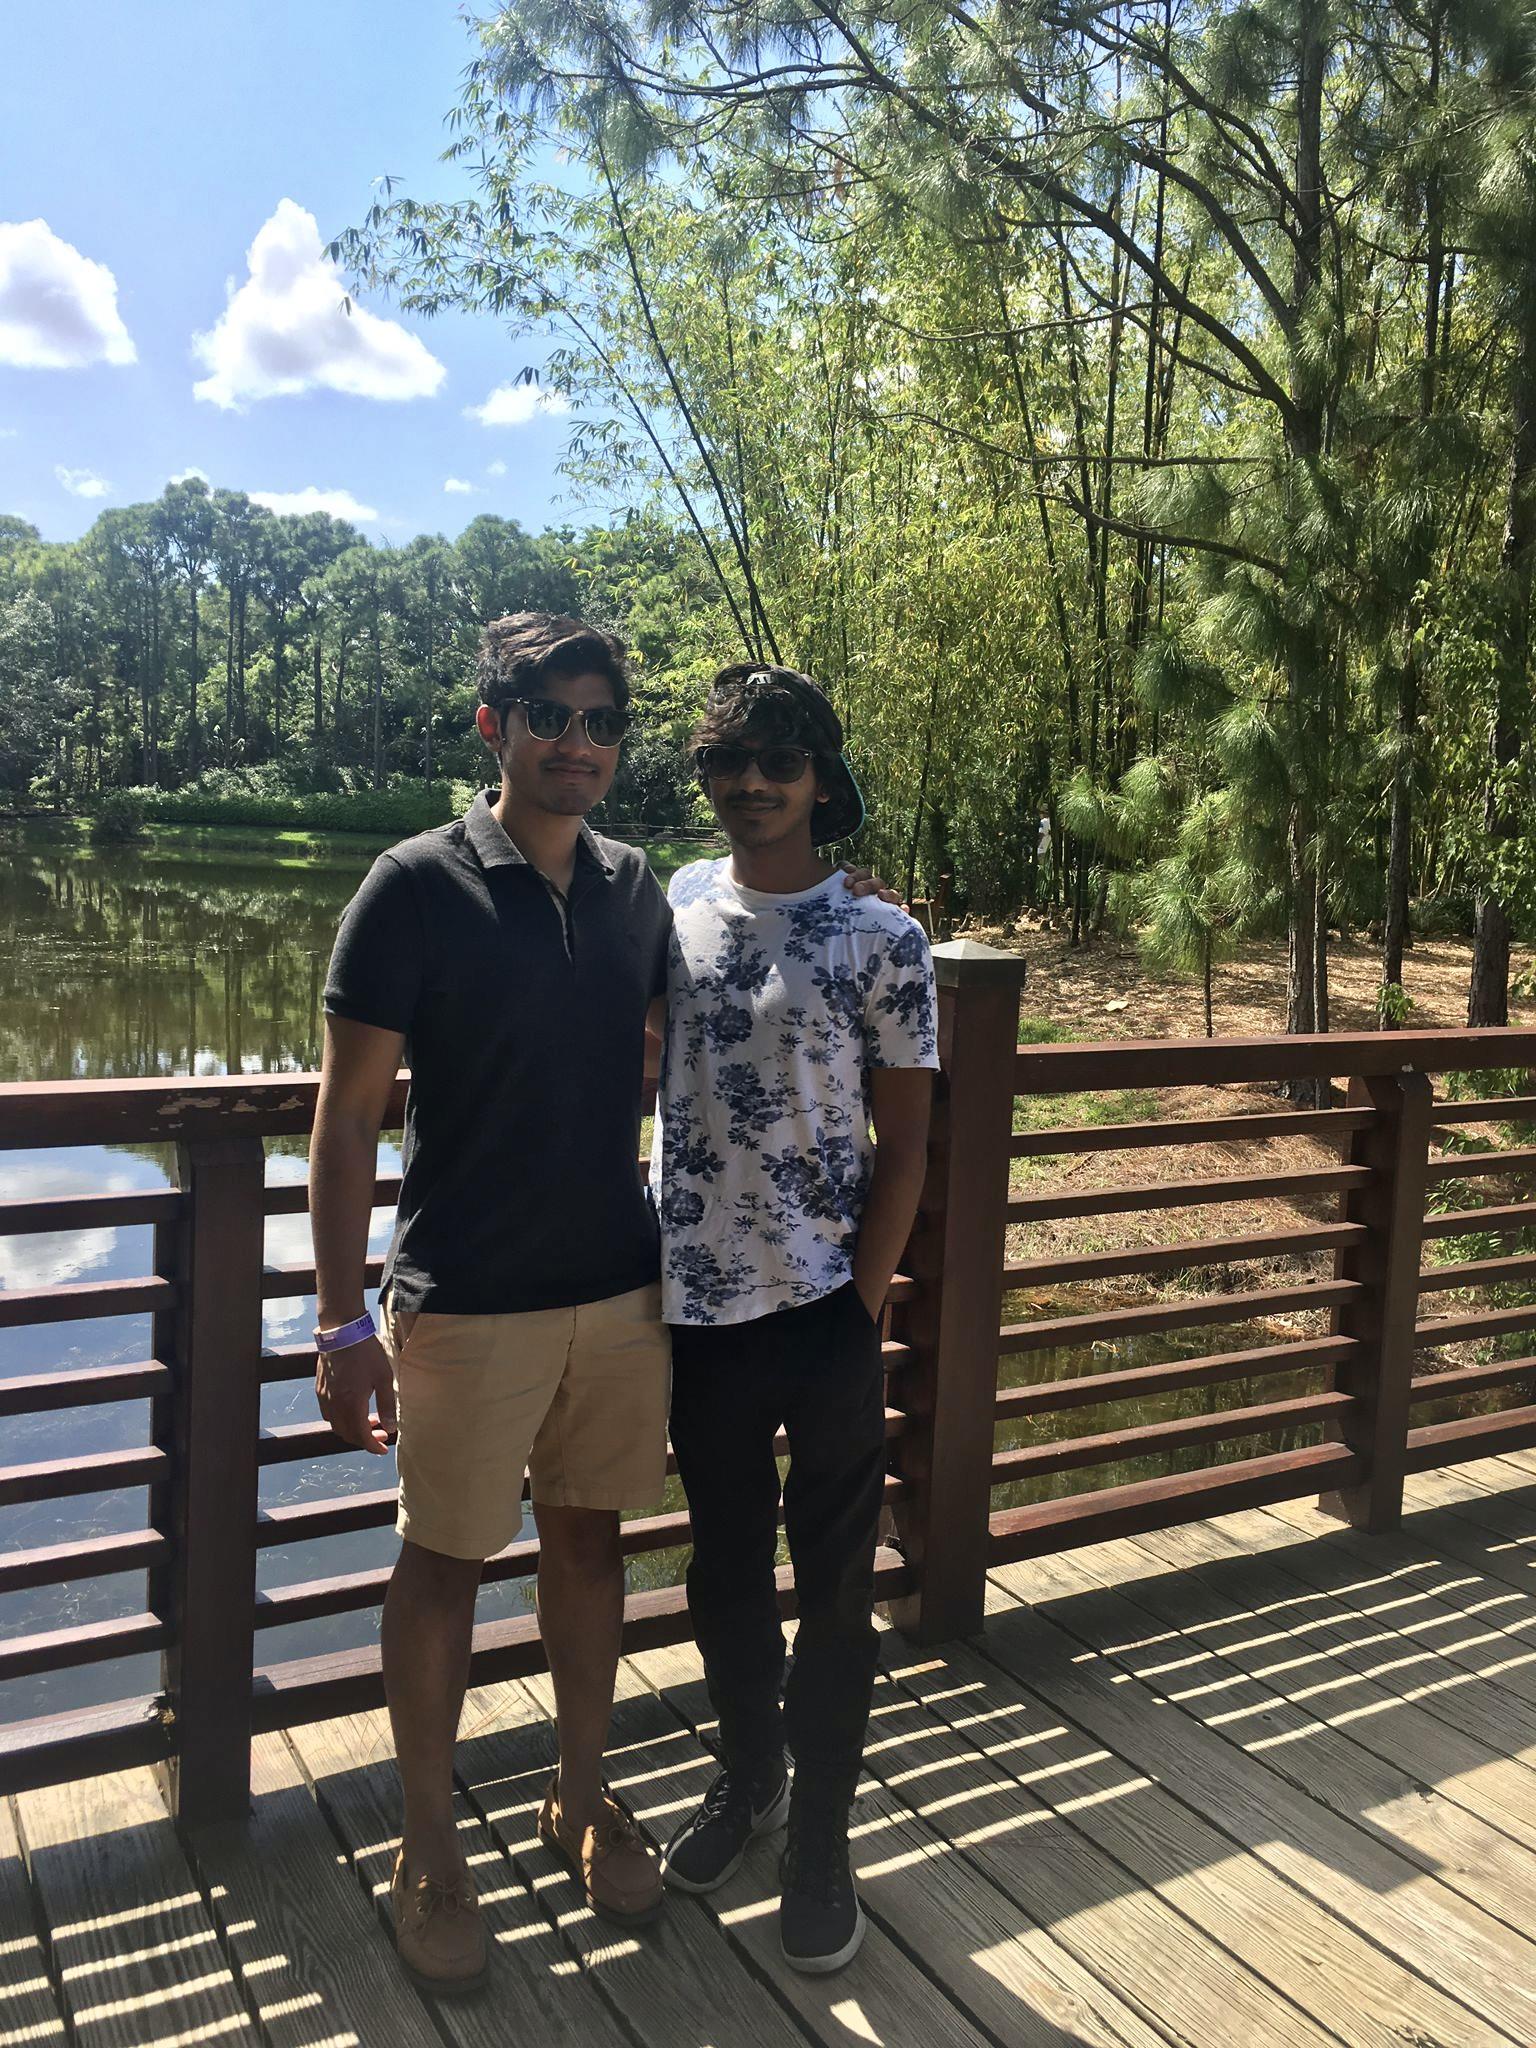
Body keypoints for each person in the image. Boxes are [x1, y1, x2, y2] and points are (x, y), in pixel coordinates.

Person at [311, 613, 673, 1991]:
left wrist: (847, 898)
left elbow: (716, 1000)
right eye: (549, 715)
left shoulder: (637, 889)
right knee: (444, 1566)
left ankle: (579, 1797)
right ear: (494, 726)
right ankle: (427, 1844)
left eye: (601, 721)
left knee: (590, 1550)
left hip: (618, 1289)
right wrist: (342, 1322)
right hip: (465, 1297)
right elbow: (345, 1122)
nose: (578, 742)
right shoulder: (413, 885)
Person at [650, 664, 938, 1975]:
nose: (752, 784)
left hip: (824, 1310)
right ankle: (750, 1774)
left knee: (833, 1589)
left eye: (780, 761)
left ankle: (821, 1833)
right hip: (697, 1308)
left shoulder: (884, 939)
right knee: (722, 1573)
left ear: (824, 780)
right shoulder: (674, 902)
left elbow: (908, 1145)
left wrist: (861, 1305)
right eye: (729, 760)